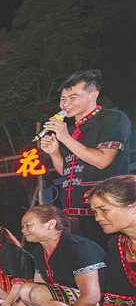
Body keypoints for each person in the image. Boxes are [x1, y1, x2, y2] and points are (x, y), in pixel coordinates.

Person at [39, 70, 132, 249]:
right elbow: (67, 172)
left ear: (93, 95)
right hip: (73, 214)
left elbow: (103, 160)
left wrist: (66, 138)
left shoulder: (113, 118)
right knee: (82, 261)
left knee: (109, 257)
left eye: (73, 97)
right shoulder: (70, 130)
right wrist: (54, 152)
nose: (65, 104)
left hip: (105, 212)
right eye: (62, 99)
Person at [0, 205, 109, 306]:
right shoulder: (39, 251)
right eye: (22, 226)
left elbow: (91, 296)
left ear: (50, 224)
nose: (23, 230)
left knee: (37, 292)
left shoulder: (77, 247)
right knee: (27, 289)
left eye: (28, 225)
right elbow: (32, 290)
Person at [80, 176, 136, 306]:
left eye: (104, 210)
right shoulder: (118, 245)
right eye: (94, 212)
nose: (98, 218)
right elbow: (121, 297)